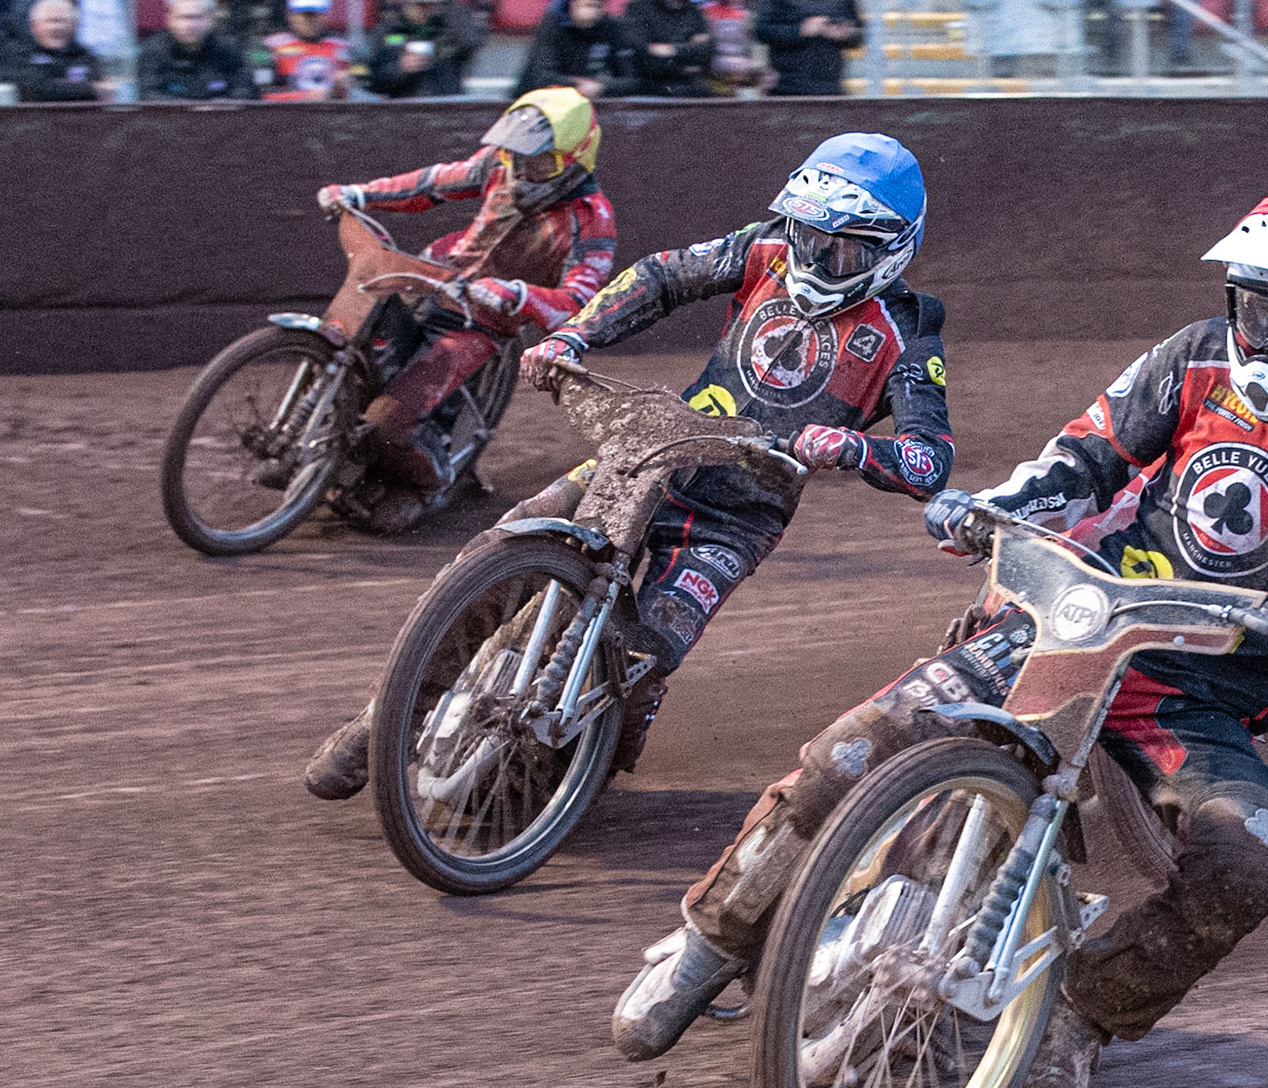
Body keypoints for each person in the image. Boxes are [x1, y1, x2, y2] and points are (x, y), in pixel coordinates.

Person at [609, 188, 1268, 1088]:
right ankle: (709, 943)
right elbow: (1082, 454)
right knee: (860, 744)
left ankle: (1084, 1017)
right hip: (1075, 621)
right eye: (1258, 304)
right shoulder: (1193, 358)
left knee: (1249, 865)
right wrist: (996, 506)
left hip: (1200, 689)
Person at [304, 131, 951, 801]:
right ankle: (377, 725)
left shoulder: (908, 333)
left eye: (839, 245)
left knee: (650, 646)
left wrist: (854, 448)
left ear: (890, 244)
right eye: (807, 234)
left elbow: (928, 459)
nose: (813, 253)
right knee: (492, 558)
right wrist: (575, 334)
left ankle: (592, 748)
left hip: (738, 513)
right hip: (653, 451)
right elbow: (661, 275)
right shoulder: (766, 248)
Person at [310, 86, 618, 534]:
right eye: (516, 155)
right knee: (348, 334)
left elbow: (578, 305)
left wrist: (516, 295)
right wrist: (359, 194)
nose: (521, 170)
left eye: (539, 162)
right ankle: (308, 438)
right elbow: (433, 182)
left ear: (575, 159)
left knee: (391, 418)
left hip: (481, 319)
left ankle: (427, 483)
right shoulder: (499, 164)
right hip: (432, 274)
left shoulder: (592, 220)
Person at [513, 0, 643, 99]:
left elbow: (632, 80)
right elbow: (541, 76)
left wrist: (603, 86)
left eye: (595, 5)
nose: (590, 12)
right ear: (571, 4)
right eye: (584, 5)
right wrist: (576, 84)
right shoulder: (552, 26)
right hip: (547, 102)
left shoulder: (614, 28)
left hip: (596, 106)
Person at [365, 0, 485, 98]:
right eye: (420, 5)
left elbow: (471, 43)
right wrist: (400, 69)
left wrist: (446, 8)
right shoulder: (390, 27)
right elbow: (374, 80)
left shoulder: (451, 23)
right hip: (403, 109)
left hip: (446, 107)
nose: (425, 9)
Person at [137, 0, 254, 99]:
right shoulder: (154, 51)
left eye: (197, 18)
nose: (189, 26)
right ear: (169, 19)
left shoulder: (229, 50)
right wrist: (192, 109)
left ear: (211, 19)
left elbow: (246, 92)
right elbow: (149, 95)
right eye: (182, 18)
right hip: (172, 121)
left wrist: (219, 106)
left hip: (220, 119)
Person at [4, 0, 104, 101]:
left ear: (74, 25)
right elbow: (35, 89)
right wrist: (91, 89)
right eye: (50, 21)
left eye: (62, 21)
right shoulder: (18, 55)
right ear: (34, 25)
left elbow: (101, 89)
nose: (56, 27)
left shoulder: (84, 56)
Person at [755, 0, 859, 96]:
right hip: (786, 88)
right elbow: (762, 31)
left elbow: (858, 34)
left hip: (830, 88)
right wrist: (800, 30)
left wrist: (845, 33)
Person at [257, 0, 355, 100]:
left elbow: (363, 87)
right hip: (288, 113)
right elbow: (261, 95)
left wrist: (347, 86)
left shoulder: (342, 47)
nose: (309, 20)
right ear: (290, 15)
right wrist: (305, 97)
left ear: (326, 15)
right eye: (303, 14)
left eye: (315, 15)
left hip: (334, 112)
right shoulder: (272, 47)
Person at [625, 0, 713, 96]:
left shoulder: (694, 11)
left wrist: (672, 49)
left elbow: (705, 51)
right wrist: (687, 62)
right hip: (650, 86)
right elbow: (644, 52)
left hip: (692, 86)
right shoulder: (638, 8)